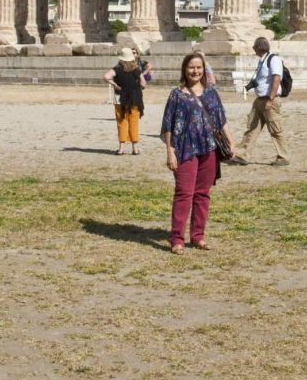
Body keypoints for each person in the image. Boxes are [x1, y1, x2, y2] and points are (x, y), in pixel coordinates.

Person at [160, 52, 233, 255]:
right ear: (185, 69)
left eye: (199, 67)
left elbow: (221, 119)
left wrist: (231, 142)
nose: (195, 71)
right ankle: (176, 239)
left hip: (209, 148)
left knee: (202, 194)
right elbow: (168, 126)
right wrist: (170, 152)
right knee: (184, 193)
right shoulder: (177, 94)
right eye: (191, 67)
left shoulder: (211, 93)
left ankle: (198, 236)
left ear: (204, 70)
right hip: (185, 149)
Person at [229, 36, 289, 167]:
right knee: (252, 128)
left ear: (259, 47)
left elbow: (277, 78)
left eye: (254, 47)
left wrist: (270, 99)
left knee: (275, 129)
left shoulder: (274, 60)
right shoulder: (263, 61)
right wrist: (249, 87)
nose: (253, 49)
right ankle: (244, 155)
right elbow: (261, 80)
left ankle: (283, 156)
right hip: (259, 100)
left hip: (269, 100)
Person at [104, 46, 147, 155]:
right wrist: (137, 86)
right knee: (134, 123)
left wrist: (115, 84)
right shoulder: (136, 69)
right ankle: (135, 148)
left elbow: (106, 76)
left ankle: (121, 148)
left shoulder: (117, 69)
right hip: (135, 99)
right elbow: (143, 84)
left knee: (122, 122)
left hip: (120, 99)